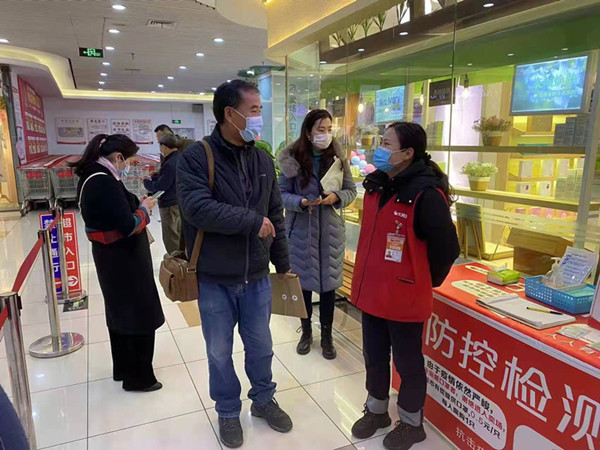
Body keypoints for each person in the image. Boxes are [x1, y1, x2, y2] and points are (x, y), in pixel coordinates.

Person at [177, 80, 292, 448]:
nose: (259, 117)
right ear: (230, 113)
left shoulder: (261, 158)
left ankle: (263, 399)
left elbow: (275, 212)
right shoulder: (196, 157)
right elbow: (197, 209)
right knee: (219, 351)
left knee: (261, 346)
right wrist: (251, 221)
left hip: (256, 276)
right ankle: (228, 410)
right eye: (254, 110)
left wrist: (283, 263)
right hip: (214, 278)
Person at [350, 122, 459, 450]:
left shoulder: (426, 194)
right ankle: (377, 411)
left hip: (405, 296)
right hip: (372, 292)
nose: (379, 149)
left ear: (408, 153)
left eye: (386, 144)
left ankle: (412, 424)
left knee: (408, 363)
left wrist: (424, 280)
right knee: (374, 356)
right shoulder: (378, 185)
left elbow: (447, 248)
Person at [72, 133, 165, 393]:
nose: (130, 166)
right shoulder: (103, 181)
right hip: (125, 260)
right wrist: (145, 209)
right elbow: (127, 225)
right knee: (137, 313)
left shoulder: (92, 176)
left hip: (111, 259)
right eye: (131, 161)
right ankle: (139, 378)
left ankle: (124, 369)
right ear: (118, 157)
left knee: (120, 312)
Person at [277, 109, 357, 360]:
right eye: (320, 129)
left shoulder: (338, 158)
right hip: (301, 232)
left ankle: (327, 337)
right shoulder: (292, 159)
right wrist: (300, 202)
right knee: (303, 286)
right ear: (309, 132)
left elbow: (351, 191)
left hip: (330, 233)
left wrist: (336, 197)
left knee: (329, 288)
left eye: (329, 129)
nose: (326, 134)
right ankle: (306, 333)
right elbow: (280, 194)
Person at [143, 133, 182, 254]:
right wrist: (156, 177)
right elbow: (169, 179)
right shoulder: (180, 157)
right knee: (179, 234)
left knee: (171, 237)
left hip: (170, 205)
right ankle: (184, 260)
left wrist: (147, 182)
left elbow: (162, 186)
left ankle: (175, 262)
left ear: (164, 146)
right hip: (179, 201)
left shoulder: (170, 163)